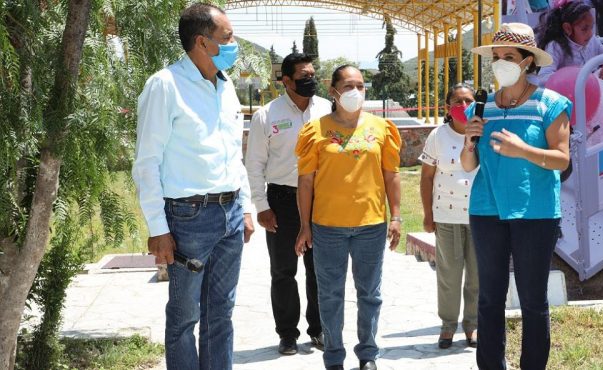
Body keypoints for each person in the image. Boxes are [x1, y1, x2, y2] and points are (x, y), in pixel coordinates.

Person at [132, 3, 254, 369]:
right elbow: (146, 162)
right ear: (202, 42)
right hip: (188, 218)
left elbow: (234, 153)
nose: (234, 44)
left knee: (222, 314)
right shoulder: (164, 85)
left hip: (230, 215)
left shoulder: (226, 85)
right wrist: (158, 228)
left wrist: (244, 206)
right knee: (185, 318)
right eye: (228, 37)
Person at [463, 23, 572, 370]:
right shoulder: (480, 108)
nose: (500, 63)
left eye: (508, 57)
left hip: (536, 212)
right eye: (496, 57)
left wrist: (524, 150)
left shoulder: (551, 104)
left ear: (528, 61)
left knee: (533, 301)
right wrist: (469, 141)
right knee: (490, 298)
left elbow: (562, 158)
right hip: (486, 210)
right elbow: (468, 164)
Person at [294, 65, 402, 370]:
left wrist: (396, 216)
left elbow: (391, 174)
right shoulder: (315, 130)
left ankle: (368, 355)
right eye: (348, 86)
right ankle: (334, 358)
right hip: (327, 227)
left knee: (370, 294)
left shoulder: (381, 128)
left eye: (361, 85)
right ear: (333, 91)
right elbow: (305, 181)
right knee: (330, 296)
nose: (355, 91)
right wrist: (305, 225)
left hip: (371, 225)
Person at [245, 52, 329, 355]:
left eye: (312, 74)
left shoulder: (327, 110)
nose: (311, 80)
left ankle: (319, 329)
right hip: (281, 199)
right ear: (287, 81)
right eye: (304, 76)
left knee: (319, 269)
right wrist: (262, 206)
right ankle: (287, 333)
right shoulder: (266, 115)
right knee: (283, 271)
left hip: (322, 199)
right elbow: (253, 164)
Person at [419, 84, 479, 350]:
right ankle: (447, 327)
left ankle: (473, 325)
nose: (464, 105)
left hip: (480, 216)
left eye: (469, 100)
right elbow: (427, 177)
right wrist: (428, 214)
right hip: (446, 216)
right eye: (458, 101)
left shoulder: (483, 133)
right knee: (449, 275)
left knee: (477, 276)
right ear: (447, 107)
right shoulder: (437, 136)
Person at [536, 0, 603, 86]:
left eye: (591, 27)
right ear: (568, 28)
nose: (590, 33)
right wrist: (569, 80)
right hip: (570, 93)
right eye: (584, 29)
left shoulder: (592, 40)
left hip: (593, 87)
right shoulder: (556, 46)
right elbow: (543, 77)